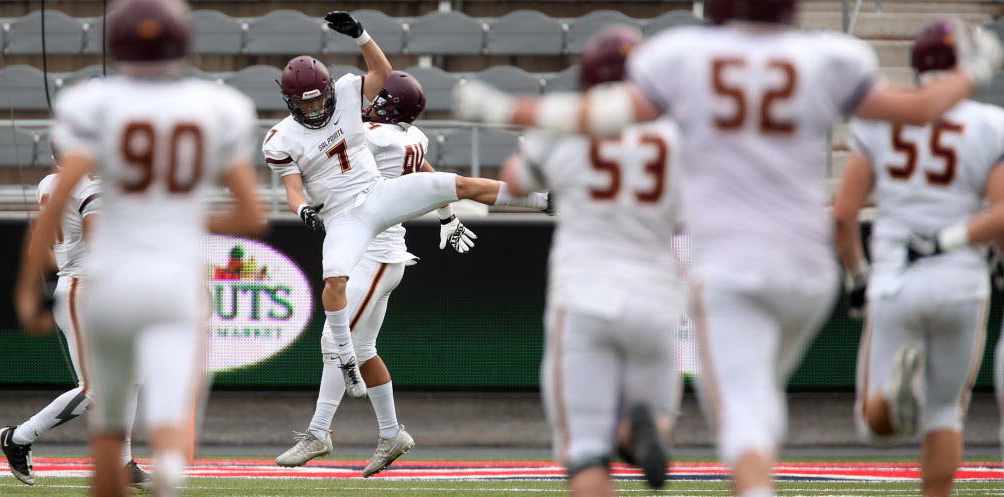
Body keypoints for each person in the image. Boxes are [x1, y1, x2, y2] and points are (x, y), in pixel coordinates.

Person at [452, 2, 1004, 496]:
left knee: (734, 409)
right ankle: (651, 428)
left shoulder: (682, 59)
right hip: (805, 267)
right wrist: (978, 67)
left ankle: (737, 476)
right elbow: (920, 107)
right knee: (768, 392)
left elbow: (590, 124)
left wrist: (505, 110)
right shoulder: (829, 56)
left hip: (708, 269)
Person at [14, 1, 266, 496]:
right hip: (175, 279)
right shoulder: (218, 107)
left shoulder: (92, 103)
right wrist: (172, 222)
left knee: (107, 427)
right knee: (170, 414)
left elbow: (53, 205)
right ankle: (170, 468)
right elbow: (252, 215)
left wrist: (27, 289)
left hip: (109, 281)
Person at [263, 11, 553, 405]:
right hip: (344, 217)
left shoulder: (352, 97)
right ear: (289, 101)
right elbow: (293, 190)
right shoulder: (281, 139)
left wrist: (362, 35)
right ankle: (346, 359)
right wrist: (302, 211)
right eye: (304, 104)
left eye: (318, 102)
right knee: (334, 279)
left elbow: (382, 72)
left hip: (379, 195)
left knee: (459, 183)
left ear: (330, 90)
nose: (314, 111)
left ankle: (544, 199)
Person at [500, 26, 683, 497]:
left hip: (583, 295)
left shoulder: (568, 125)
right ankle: (636, 431)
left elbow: (515, 181)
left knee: (584, 451)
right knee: (655, 417)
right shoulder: (677, 134)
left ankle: (619, 437)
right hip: (656, 298)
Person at [275, 70, 478, 476]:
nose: (367, 102)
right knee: (362, 350)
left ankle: (318, 432)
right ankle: (390, 434)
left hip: (375, 253)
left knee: (335, 340)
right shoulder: (409, 140)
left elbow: (334, 145)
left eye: (377, 99)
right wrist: (447, 216)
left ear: (385, 105)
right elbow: (432, 179)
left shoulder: (372, 134)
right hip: (381, 252)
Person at [835, 21, 1004, 497]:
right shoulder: (991, 123)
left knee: (872, 427)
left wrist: (855, 277)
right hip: (962, 281)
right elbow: (1002, 212)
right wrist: (951, 240)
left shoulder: (880, 120)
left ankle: (892, 401)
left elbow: (845, 214)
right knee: (947, 412)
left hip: (896, 277)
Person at [0, 145, 149, 489]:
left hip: (83, 284)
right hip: (89, 288)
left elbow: (44, 248)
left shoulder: (51, 183)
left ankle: (123, 463)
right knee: (95, 390)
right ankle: (18, 437)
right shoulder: (91, 186)